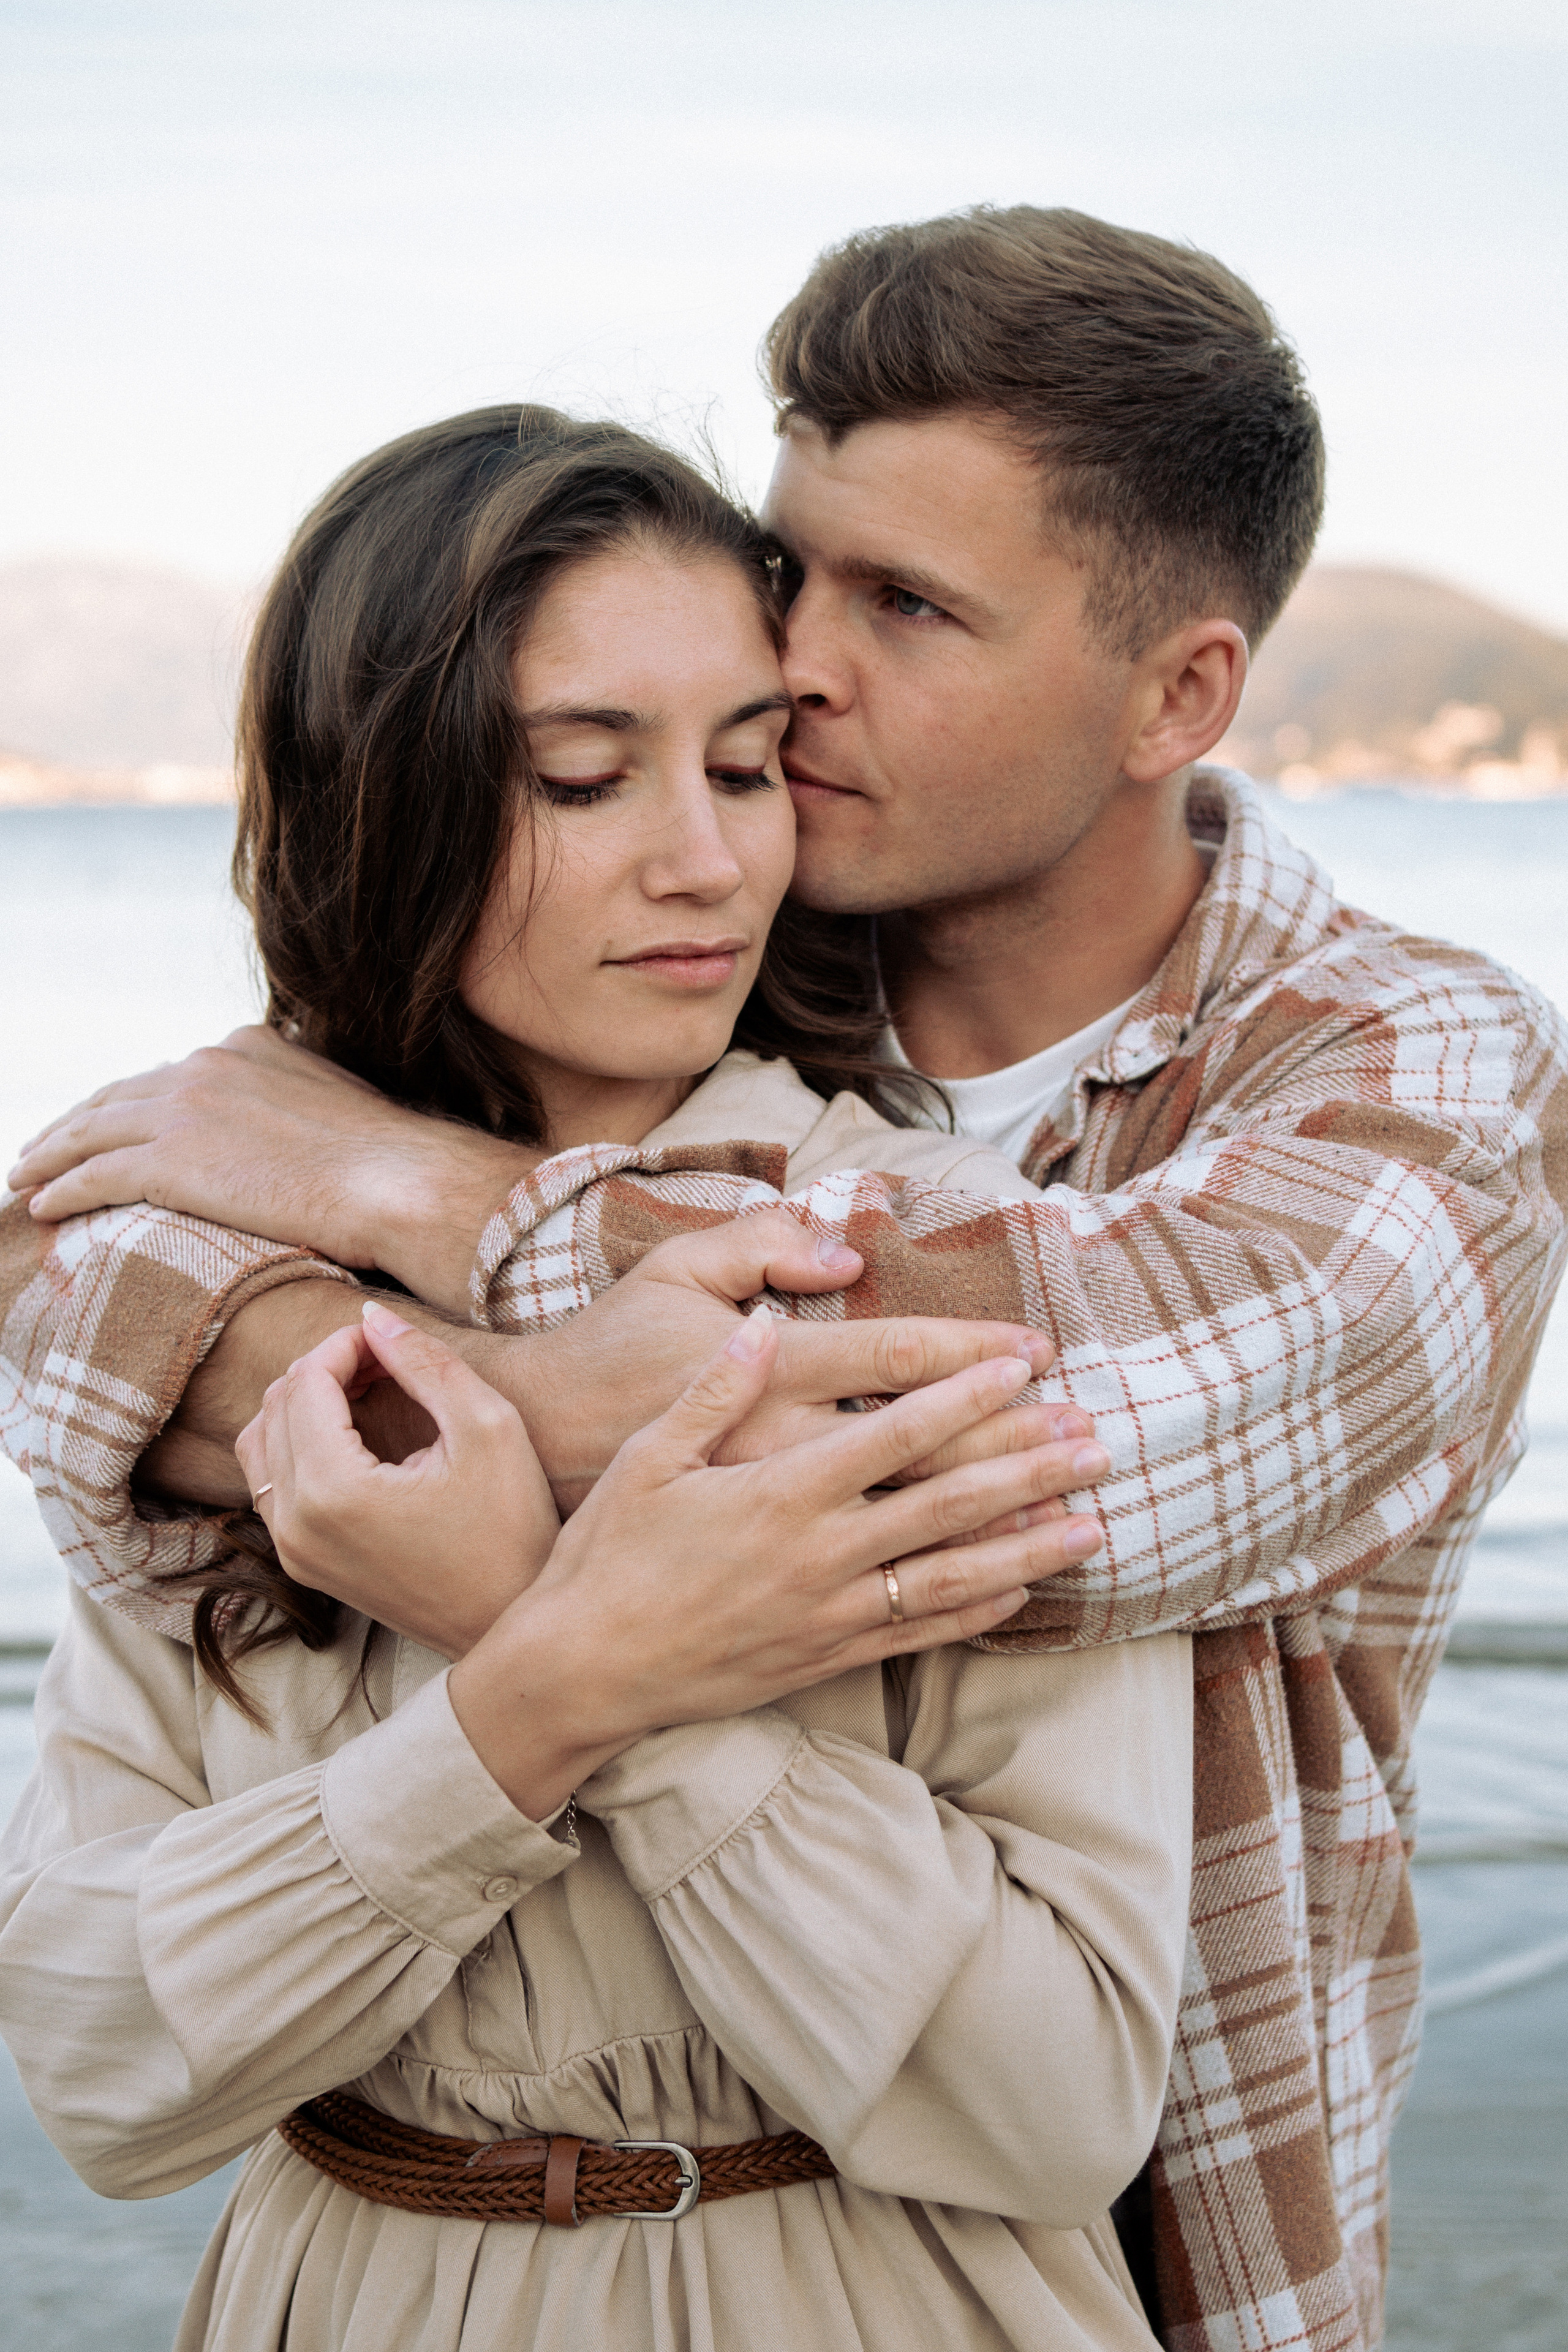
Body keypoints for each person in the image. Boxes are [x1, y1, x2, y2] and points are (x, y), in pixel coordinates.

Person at [5, 206, 1567, 2352]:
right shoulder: (701, 947)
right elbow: (77, 1270)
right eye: (796, 566)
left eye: (907, 605)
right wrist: (406, 1323)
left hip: (1144, 2255)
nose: (798, 670)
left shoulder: (1407, 1069)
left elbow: (1004, 1405)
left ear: (1177, 693)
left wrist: (422, 1236)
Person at [0, 404, 1193, 2352]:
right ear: (379, 802)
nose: (706, 858)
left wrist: (548, 1656)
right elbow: (102, 2072)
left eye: (747, 764)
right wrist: (538, 1703)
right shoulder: (212, 1299)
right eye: (581, 778)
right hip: (347, 2291)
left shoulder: (931, 1262)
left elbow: (1059, 2102)